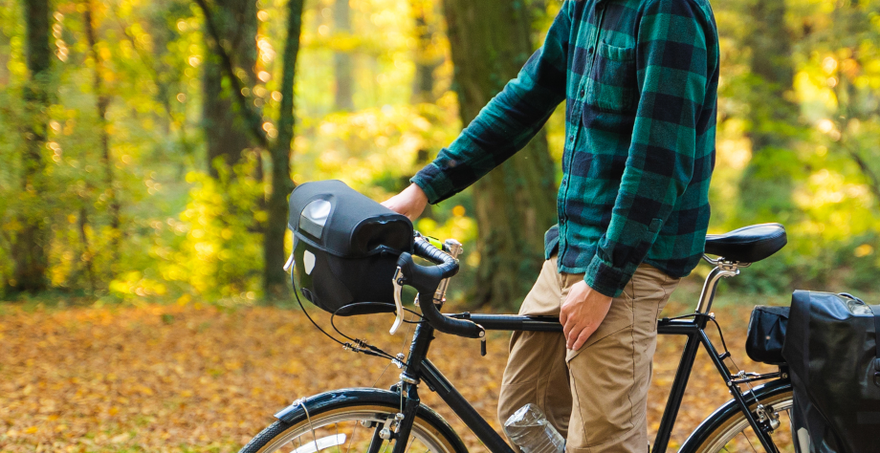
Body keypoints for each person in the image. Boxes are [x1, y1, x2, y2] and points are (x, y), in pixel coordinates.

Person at [383, 0, 719, 450]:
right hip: (572, 243)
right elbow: (526, 96)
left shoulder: (668, 10)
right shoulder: (584, 5)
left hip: (632, 257)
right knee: (527, 413)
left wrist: (603, 282)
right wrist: (422, 189)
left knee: (603, 443)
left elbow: (660, 165)